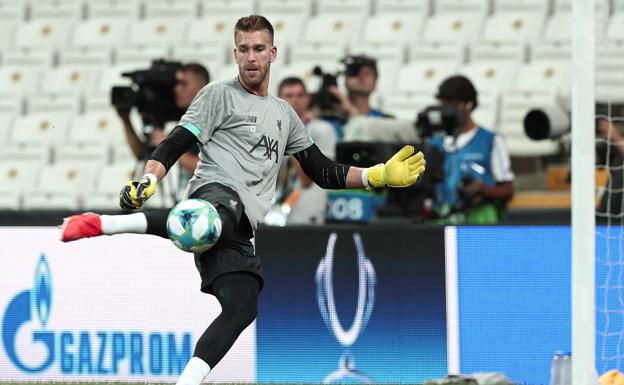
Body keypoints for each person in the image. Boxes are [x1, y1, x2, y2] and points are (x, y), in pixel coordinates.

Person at [60, 15, 426, 385]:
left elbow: (321, 171)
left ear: (272, 53)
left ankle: (186, 382)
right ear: (235, 54)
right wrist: (149, 179)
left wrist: (376, 175)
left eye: (259, 49)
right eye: (245, 49)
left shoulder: (285, 115)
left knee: (242, 305)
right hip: (214, 195)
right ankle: (104, 224)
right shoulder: (218, 95)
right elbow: (175, 142)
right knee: (216, 214)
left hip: (239, 227)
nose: (252, 57)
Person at [116, 62, 210, 201]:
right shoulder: (184, 123)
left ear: (201, 88)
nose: (176, 89)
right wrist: (126, 121)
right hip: (184, 206)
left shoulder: (212, 121)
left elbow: (207, 169)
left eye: (183, 84)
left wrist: (170, 147)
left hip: (205, 208)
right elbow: (145, 157)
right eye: (176, 84)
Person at [428, 75, 514, 224]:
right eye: (443, 104)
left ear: (467, 104)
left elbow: (507, 190)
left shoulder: (491, 140)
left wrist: (484, 190)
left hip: (479, 219)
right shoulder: (435, 142)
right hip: (441, 218)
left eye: (452, 104)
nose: (446, 110)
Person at [277, 76, 338, 224]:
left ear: (308, 99)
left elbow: (308, 179)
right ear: (278, 99)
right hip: (274, 212)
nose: (295, 101)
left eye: (300, 95)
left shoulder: (322, 130)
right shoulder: (273, 129)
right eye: (288, 96)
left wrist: (293, 133)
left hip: (307, 213)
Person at [324, 55, 393, 139]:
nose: (361, 77)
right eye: (355, 73)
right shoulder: (328, 118)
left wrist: (350, 110)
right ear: (345, 79)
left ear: (375, 84)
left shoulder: (386, 121)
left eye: (367, 73)